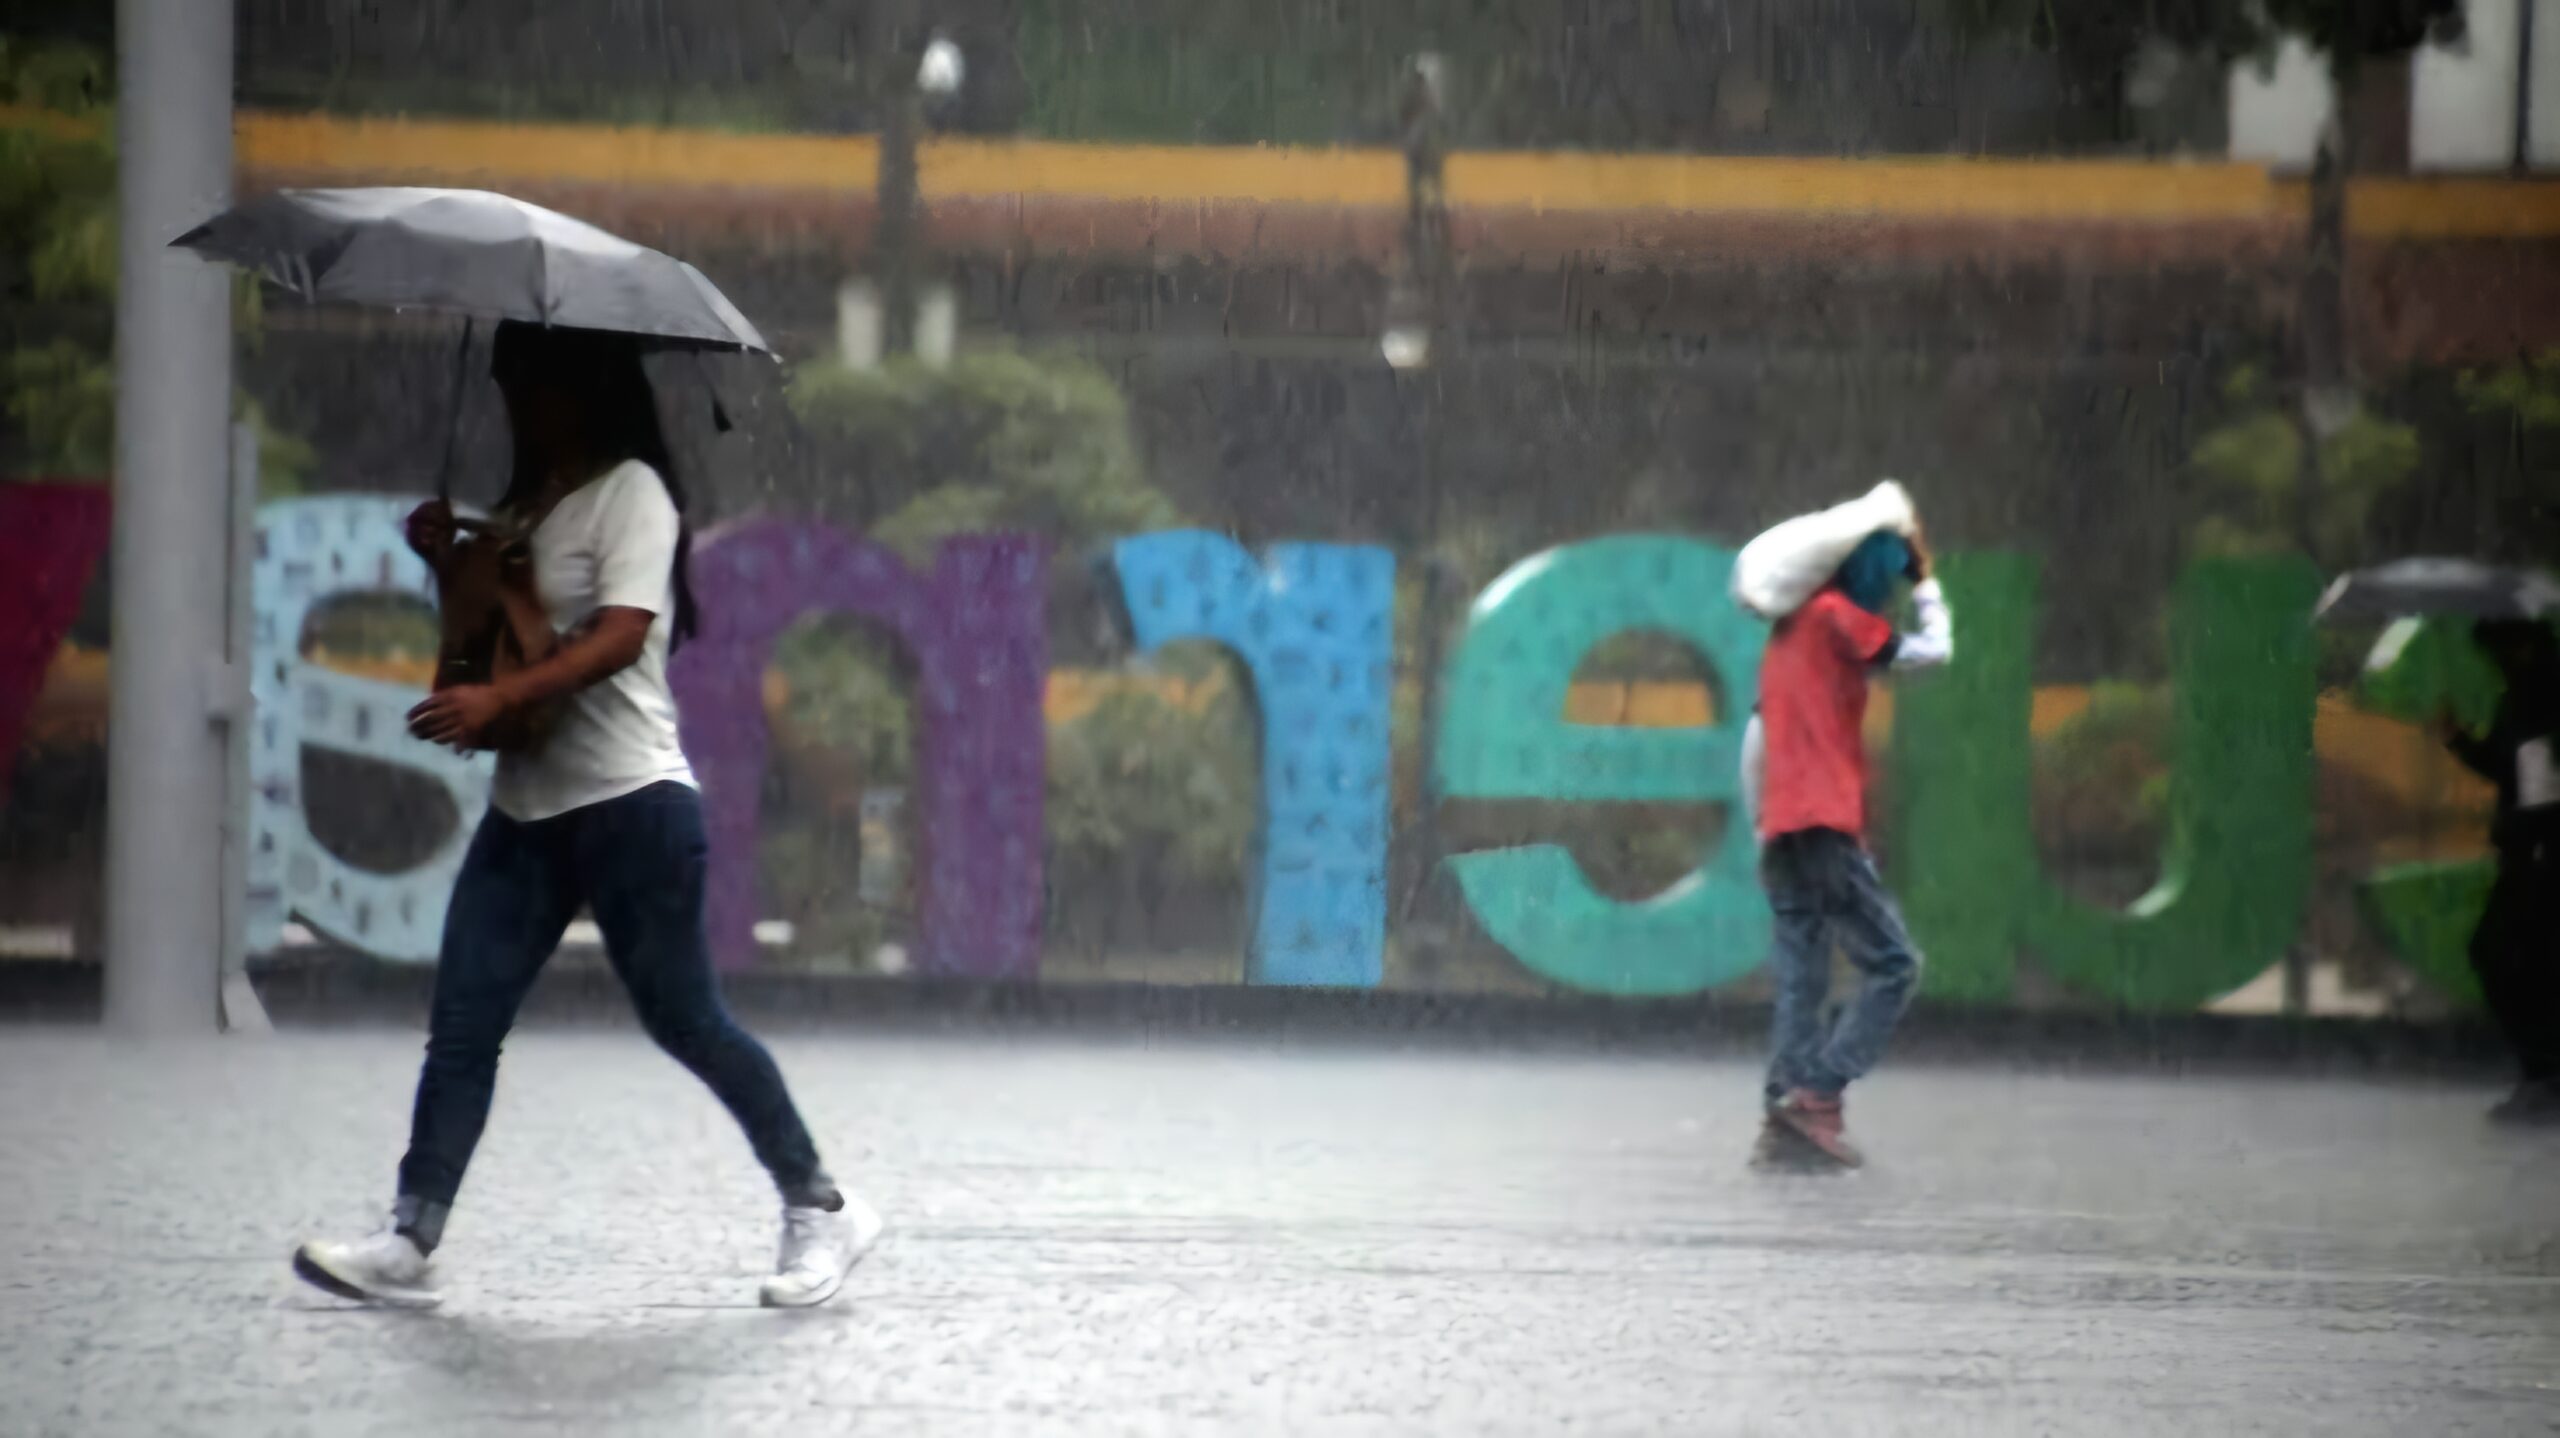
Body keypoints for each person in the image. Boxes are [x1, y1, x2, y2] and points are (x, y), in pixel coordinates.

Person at [293, 323, 880, 1308]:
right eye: (503, 381)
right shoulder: (523, 511)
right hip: (527, 813)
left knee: (686, 1019)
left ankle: (817, 1204)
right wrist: (452, 568)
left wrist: (498, 702)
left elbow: (617, 638)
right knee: (465, 1022)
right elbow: (484, 659)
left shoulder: (634, 494)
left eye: (527, 379)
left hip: (632, 806)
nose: (513, 399)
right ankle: (410, 1234)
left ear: (583, 385)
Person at [1743, 524, 1952, 1169]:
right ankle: (1818, 1094)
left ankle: (1785, 1107)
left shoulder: (1784, 634)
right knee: (1894, 965)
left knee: (1803, 973)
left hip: (1780, 824)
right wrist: (1929, 587)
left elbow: (1755, 736)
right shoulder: (1836, 617)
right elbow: (1930, 655)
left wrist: (1763, 826)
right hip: (1823, 822)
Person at [2436, 618, 2560, 1126]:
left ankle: (2545, 1074)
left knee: (2506, 956)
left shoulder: (2542, 694)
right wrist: (2459, 739)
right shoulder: (2523, 693)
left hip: (2542, 857)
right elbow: (2513, 769)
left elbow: (2541, 786)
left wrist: (2535, 845)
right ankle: (2541, 1074)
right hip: (2531, 852)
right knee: (2516, 959)